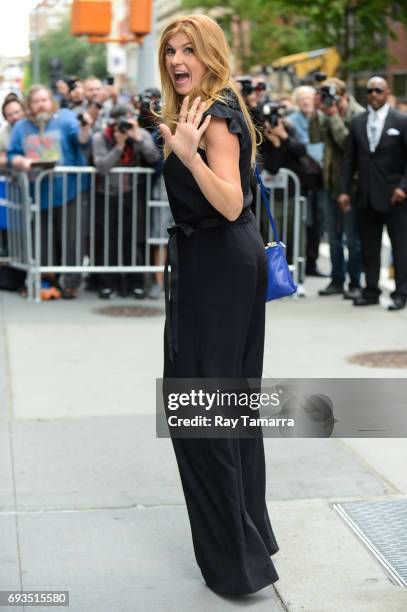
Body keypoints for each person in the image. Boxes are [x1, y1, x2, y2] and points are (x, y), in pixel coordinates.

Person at [158, 14, 279, 596]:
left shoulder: (216, 116)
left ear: (212, 54)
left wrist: (189, 155)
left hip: (220, 267)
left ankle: (237, 561)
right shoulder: (197, 111)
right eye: (171, 50)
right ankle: (248, 539)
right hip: (213, 265)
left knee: (201, 408)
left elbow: (231, 202)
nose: (178, 60)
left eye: (190, 50)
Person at [7, 85, 92, 299]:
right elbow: (12, 155)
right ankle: (47, 282)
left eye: (44, 99)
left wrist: (85, 128)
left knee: (72, 238)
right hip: (39, 193)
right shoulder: (21, 128)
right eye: (35, 101)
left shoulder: (64, 118)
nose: (40, 104)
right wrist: (23, 162)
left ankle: (71, 283)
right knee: (43, 239)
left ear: (51, 101)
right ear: (29, 106)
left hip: (70, 190)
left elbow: (81, 141)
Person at [338, 76, 407, 311]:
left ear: (387, 92)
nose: (374, 94)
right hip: (365, 195)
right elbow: (349, 160)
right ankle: (371, 290)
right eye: (370, 90)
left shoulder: (402, 120)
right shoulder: (358, 122)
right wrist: (345, 191)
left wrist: (403, 188)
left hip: (395, 197)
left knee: (400, 246)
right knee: (369, 246)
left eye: (378, 90)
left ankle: (401, 293)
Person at [92, 104, 159, 299]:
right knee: (107, 240)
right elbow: (101, 166)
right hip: (106, 193)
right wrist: (119, 146)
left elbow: (154, 157)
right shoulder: (101, 138)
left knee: (133, 238)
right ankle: (107, 283)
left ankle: (136, 283)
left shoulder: (139, 134)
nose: (123, 127)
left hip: (132, 193)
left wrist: (137, 139)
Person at [310, 78, 364, 299]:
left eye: (330, 95)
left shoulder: (357, 114)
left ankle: (354, 282)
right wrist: (316, 111)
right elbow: (315, 137)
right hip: (330, 182)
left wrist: (332, 116)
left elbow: (346, 143)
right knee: (333, 237)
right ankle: (337, 280)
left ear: (342, 94)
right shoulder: (327, 112)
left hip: (351, 185)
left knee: (352, 238)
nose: (328, 100)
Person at [289, 86, 325, 277]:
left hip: (321, 179)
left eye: (309, 97)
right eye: (301, 98)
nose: (305, 101)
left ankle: (312, 262)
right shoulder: (291, 122)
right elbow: (303, 148)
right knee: (303, 222)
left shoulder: (321, 119)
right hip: (302, 179)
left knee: (317, 223)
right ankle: (300, 263)